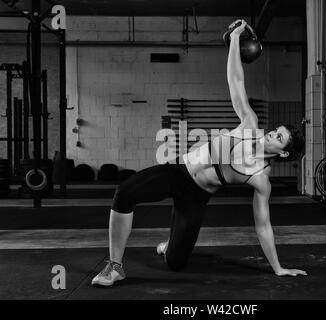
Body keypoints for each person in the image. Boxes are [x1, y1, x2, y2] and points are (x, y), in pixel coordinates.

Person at [92, 19, 307, 287]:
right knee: (124, 193)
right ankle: (115, 267)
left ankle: (170, 245)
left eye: (279, 137)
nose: (272, 133)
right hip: (178, 172)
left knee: (176, 263)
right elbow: (236, 80)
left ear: (283, 153)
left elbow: (263, 226)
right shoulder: (249, 125)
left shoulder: (261, 178)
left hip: (196, 197)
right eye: (276, 130)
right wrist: (236, 39)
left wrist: (278, 268)